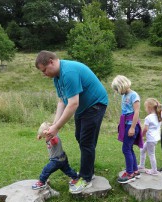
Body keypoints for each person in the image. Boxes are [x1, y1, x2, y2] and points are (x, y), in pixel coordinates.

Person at [35, 51, 108, 194]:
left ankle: (86, 178)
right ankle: (89, 170)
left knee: (86, 142)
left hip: (95, 104)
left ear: (51, 62)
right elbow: (62, 101)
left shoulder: (68, 72)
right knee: (80, 137)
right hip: (83, 107)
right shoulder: (57, 78)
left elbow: (73, 103)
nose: (44, 74)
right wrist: (54, 126)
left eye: (44, 70)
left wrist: (57, 127)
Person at [111, 75, 143, 184]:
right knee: (129, 148)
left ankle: (129, 174)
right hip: (125, 124)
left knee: (126, 149)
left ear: (121, 86)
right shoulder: (125, 95)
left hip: (131, 125)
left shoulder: (134, 95)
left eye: (117, 89)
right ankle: (135, 171)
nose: (116, 91)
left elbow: (136, 112)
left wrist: (133, 127)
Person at [32, 122, 79, 190]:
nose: (45, 137)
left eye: (45, 135)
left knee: (46, 170)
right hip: (62, 157)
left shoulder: (53, 137)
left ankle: (41, 183)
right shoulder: (50, 135)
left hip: (56, 160)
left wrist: (48, 135)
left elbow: (55, 141)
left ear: (48, 133)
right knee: (67, 169)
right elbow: (46, 135)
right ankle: (76, 177)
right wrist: (40, 135)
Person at [138, 98, 162, 176]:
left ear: (149, 107)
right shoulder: (159, 115)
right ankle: (141, 166)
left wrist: (141, 136)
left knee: (151, 154)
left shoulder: (148, 118)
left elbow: (145, 129)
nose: (145, 109)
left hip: (151, 140)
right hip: (155, 139)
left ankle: (154, 170)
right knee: (142, 150)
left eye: (146, 107)